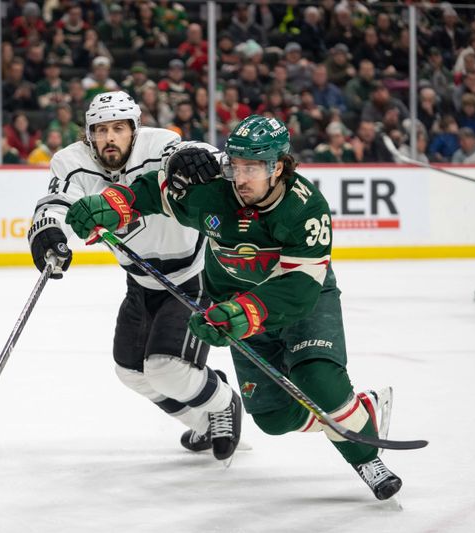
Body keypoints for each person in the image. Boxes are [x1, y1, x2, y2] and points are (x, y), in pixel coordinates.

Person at [64, 114, 403, 500]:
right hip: (235, 307)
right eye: (236, 165)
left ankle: (365, 457)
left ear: (278, 167)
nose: (240, 178)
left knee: (319, 383)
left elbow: (298, 289)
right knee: (274, 419)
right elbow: (157, 192)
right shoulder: (213, 192)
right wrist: (115, 204)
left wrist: (245, 313)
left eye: (253, 167)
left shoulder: (305, 209)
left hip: (301, 305)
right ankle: (356, 416)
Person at [27, 91, 242, 458]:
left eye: (118, 129)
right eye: (101, 130)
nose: (110, 138)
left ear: (135, 129)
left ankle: (223, 403)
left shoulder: (160, 144)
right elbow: (54, 204)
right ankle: (202, 421)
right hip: (140, 282)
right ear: (89, 134)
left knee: (165, 368)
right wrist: (48, 232)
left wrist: (202, 158)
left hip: (193, 276)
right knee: (131, 371)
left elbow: (190, 154)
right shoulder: (70, 161)